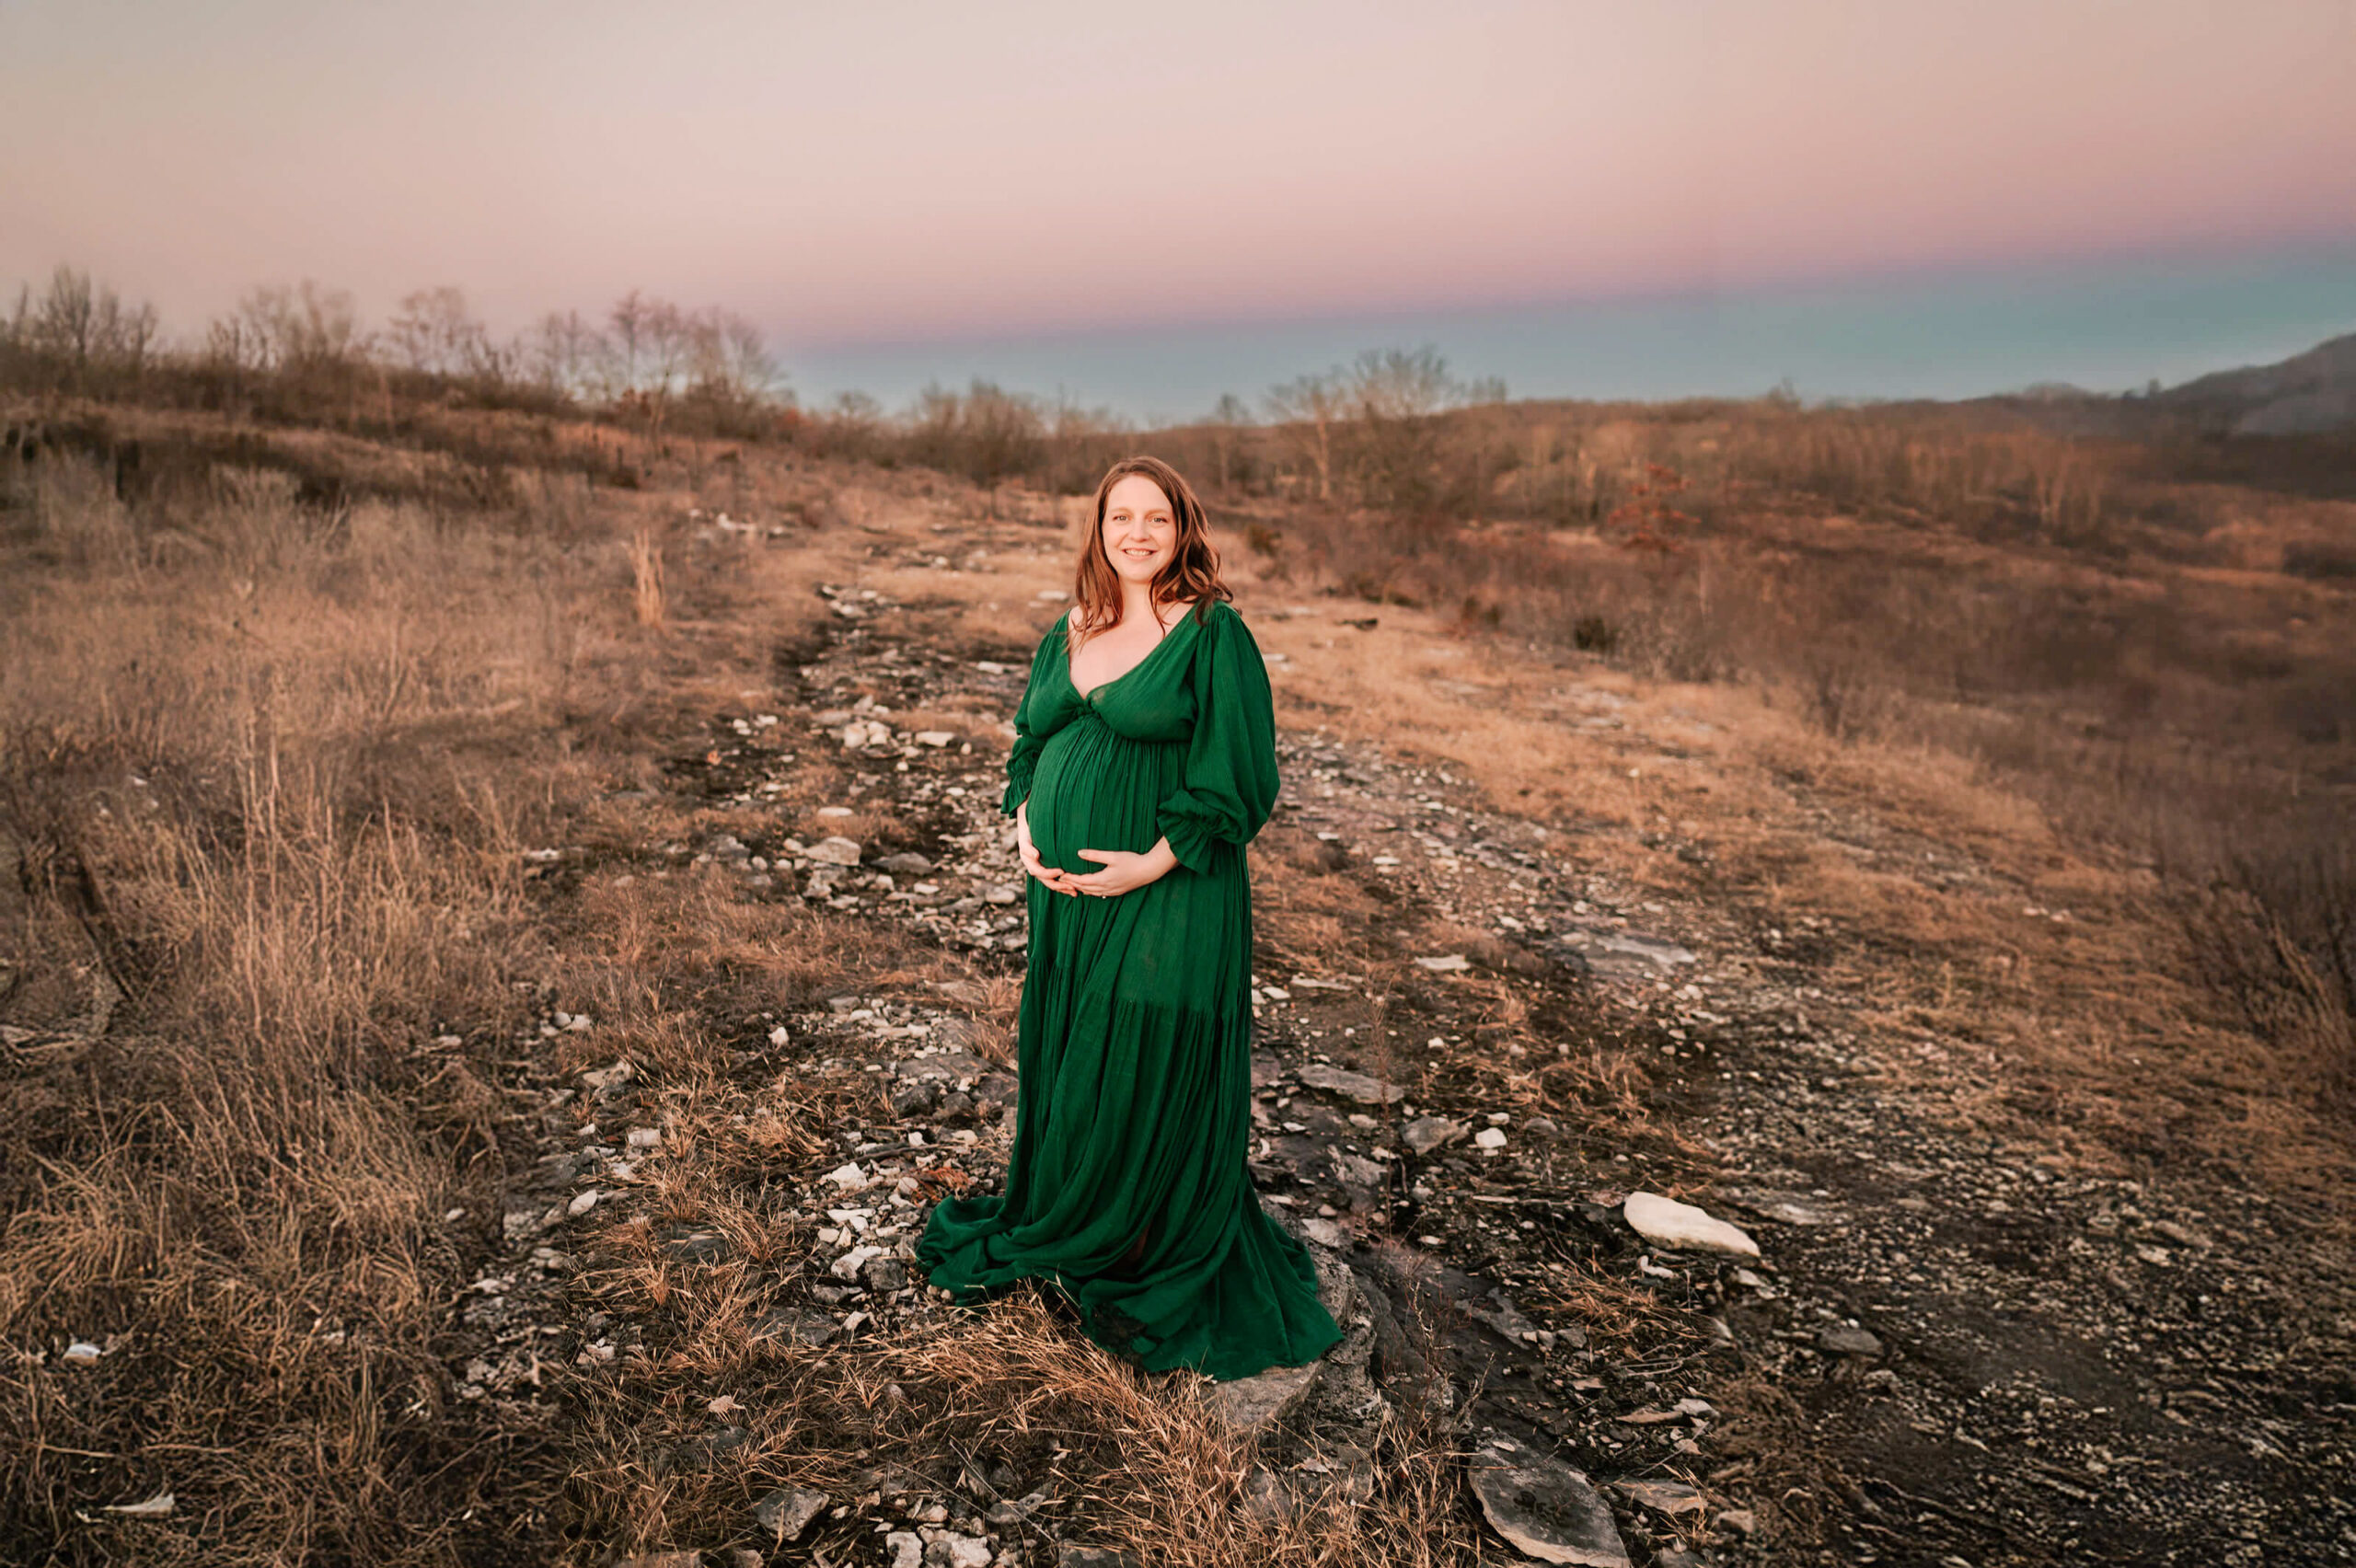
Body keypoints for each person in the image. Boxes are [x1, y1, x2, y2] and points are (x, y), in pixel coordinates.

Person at [916, 455, 1343, 1381]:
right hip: (1064, 899)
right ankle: (1074, 1209)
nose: (1138, 534)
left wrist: (1151, 858)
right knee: (1079, 1044)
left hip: (1174, 888)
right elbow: (1034, 740)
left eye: (1156, 519)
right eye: (1122, 519)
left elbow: (1240, 774)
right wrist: (1029, 827)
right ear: (1098, 531)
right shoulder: (1069, 626)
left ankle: (1144, 1234)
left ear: (1182, 529)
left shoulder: (1212, 634)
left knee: (1147, 1040)